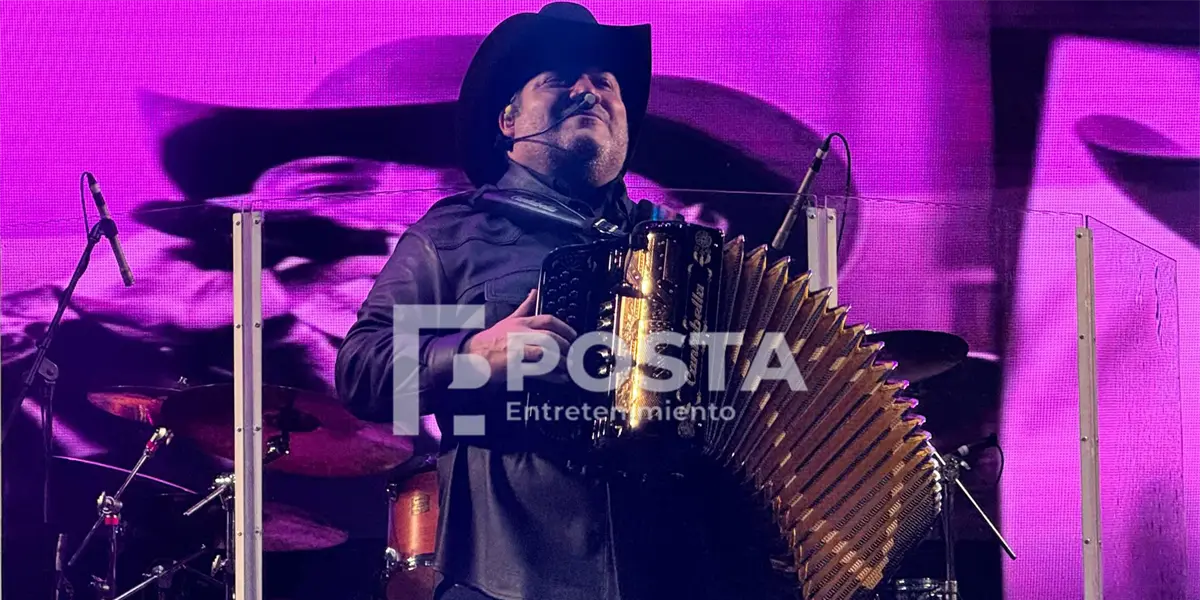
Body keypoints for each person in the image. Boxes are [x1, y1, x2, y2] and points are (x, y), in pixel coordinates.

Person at [336, 4, 796, 600]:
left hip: (672, 571)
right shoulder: (451, 235)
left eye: (606, 83)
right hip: (507, 577)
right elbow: (362, 372)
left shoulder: (685, 252)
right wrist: (474, 354)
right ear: (509, 119)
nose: (588, 90)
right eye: (558, 79)